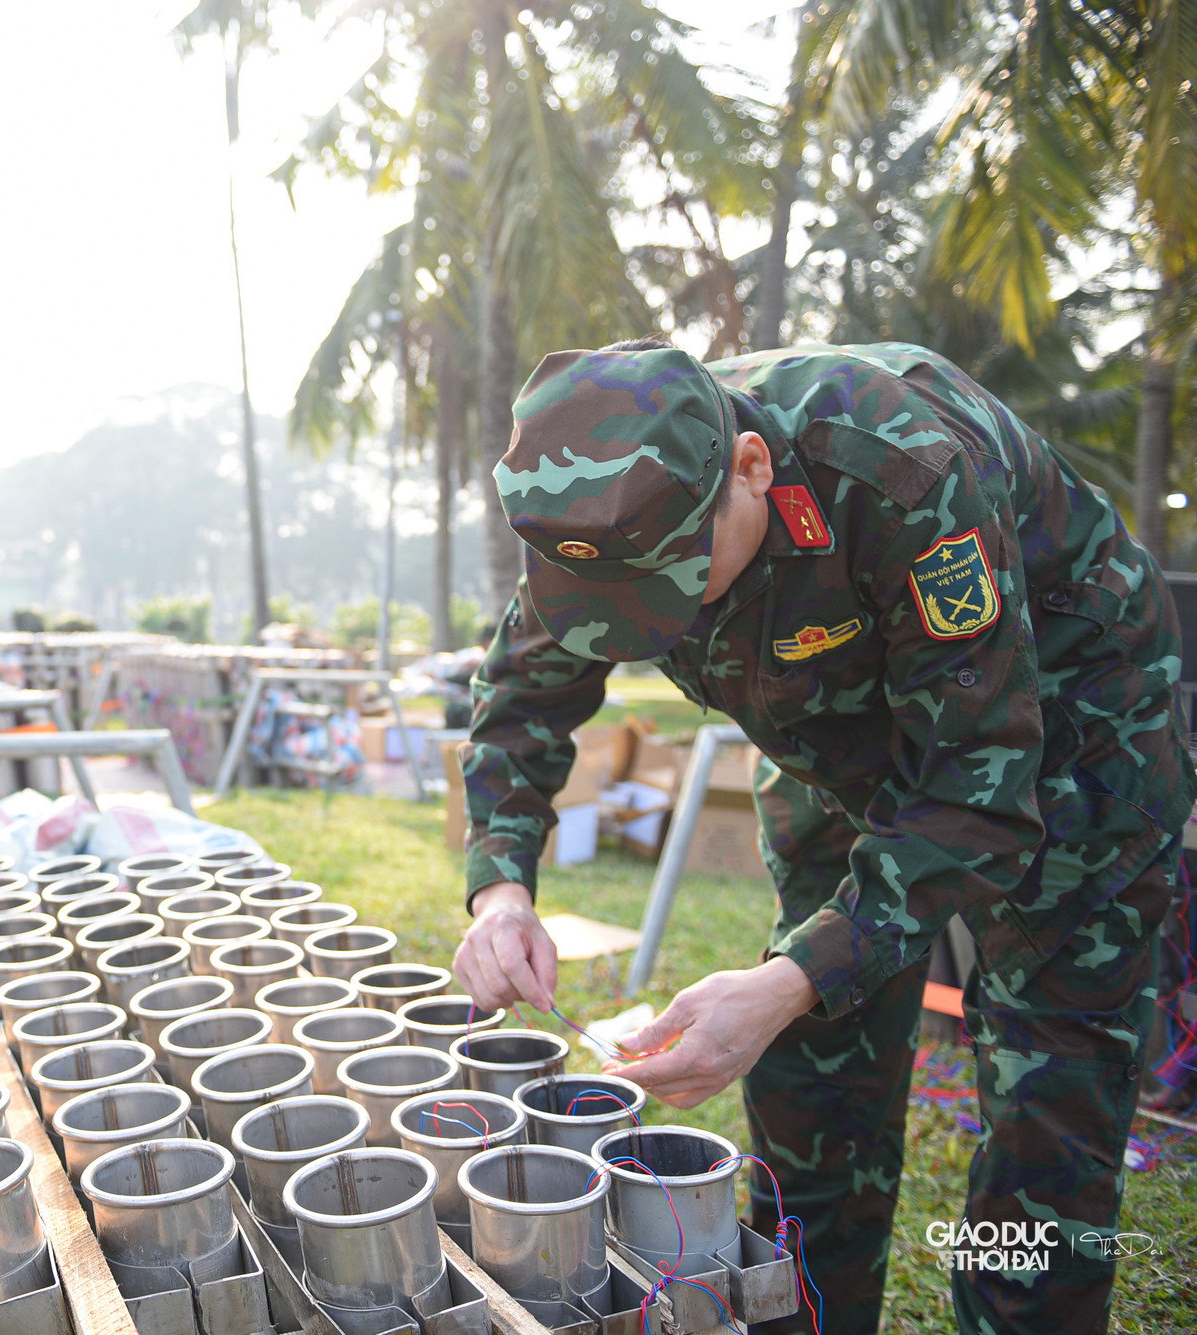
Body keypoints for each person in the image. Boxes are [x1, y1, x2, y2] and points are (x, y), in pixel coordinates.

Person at [453, 339, 1194, 1334]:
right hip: (830, 746)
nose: (644, 621)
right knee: (811, 1088)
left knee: (1044, 1106)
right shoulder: (598, 505)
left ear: (750, 468)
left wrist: (787, 977)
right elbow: (519, 698)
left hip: (1067, 725)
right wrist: (499, 888)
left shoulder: (897, 468)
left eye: (671, 584)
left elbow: (974, 790)